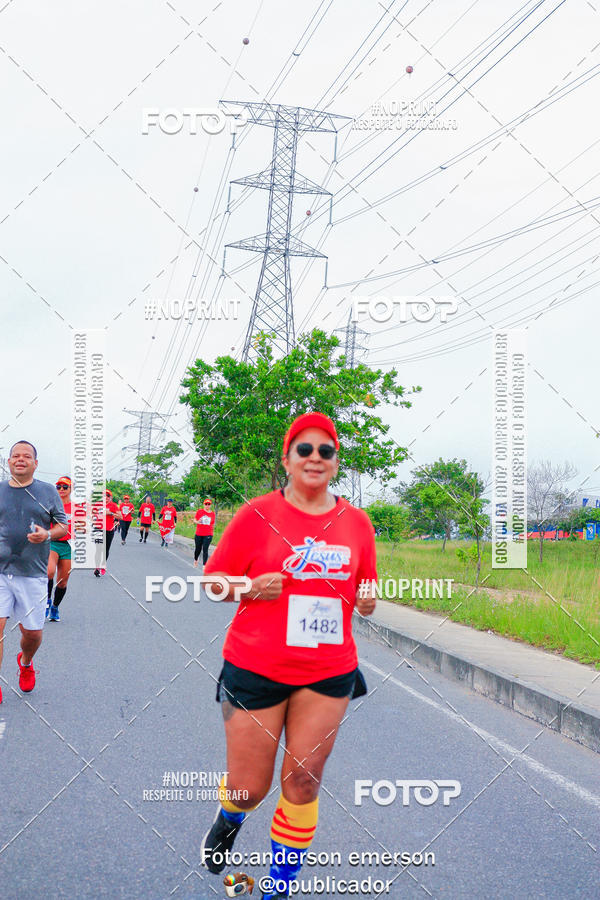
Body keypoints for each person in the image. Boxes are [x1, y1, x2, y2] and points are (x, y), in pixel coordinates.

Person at [200, 413, 377, 899]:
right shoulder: (257, 514)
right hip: (255, 666)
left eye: (326, 450)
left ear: (336, 463)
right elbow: (213, 581)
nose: (315, 458)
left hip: (328, 670)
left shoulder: (357, 523)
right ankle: (230, 816)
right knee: (249, 788)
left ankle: (279, 888)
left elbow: (366, 581)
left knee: (302, 782)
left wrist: (367, 596)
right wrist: (248, 587)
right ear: (288, 459)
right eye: (305, 449)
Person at [0, 441, 68, 702]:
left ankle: (26, 662)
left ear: (35, 463)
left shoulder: (48, 491)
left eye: (26, 456)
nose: (20, 459)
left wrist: (48, 534)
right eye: (15, 456)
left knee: (32, 634)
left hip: (32, 573)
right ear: (8, 462)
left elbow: (63, 526)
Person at [46, 475, 74, 622]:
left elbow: (84, 526)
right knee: (49, 572)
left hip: (68, 545)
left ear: (71, 489)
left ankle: (55, 607)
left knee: (62, 582)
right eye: (58, 487)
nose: (61, 489)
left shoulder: (76, 508)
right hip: (52, 542)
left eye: (65, 487)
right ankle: (46, 601)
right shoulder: (51, 504)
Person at [92, 489, 121, 577]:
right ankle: (97, 567)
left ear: (111, 497)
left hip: (109, 530)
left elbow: (121, 516)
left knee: (105, 550)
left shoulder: (114, 506)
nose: (106, 498)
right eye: (104, 495)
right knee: (98, 549)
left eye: (108, 496)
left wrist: (111, 513)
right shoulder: (97, 505)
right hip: (98, 529)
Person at [193, 498, 215, 568]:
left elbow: (212, 524)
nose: (207, 505)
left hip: (208, 534)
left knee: (205, 549)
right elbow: (194, 520)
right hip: (199, 533)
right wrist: (197, 522)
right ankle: (196, 559)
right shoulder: (199, 511)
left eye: (209, 504)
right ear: (204, 505)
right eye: (206, 504)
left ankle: (204, 565)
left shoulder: (212, 514)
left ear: (210, 505)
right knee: (198, 549)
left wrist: (212, 532)